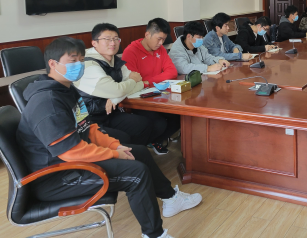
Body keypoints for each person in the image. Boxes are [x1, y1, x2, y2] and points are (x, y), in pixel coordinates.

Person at [16, 37, 202, 239]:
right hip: (56, 177)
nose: (79, 65)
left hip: (70, 163)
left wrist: (115, 146)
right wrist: (113, 154)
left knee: (138, 151)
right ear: (53, 64)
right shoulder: (47, 103)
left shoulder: (68, 90)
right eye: (72, 60)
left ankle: (171, 199)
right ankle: (154, 235)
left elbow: (88, 128)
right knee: (136, 173)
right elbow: (70, 152)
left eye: (81, 60)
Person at [74, 24, 168, 149]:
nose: (113, 43)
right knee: (126, 136)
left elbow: (137, 82)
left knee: (147, 124)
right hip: (90, 119)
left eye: (116, 39)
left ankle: (132, 153)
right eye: (107, 39)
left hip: (109, 113)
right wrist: (130, 83)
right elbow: (120, 88)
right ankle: (128, 153)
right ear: (94, 43)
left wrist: (115, 98)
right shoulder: (88, 64)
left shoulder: (114, 60)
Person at [122, 18, 181, 155]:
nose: (161, 43)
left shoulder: (160, 50)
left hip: (158, 94)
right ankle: (141, 148)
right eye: (159, 39)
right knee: (159, 123)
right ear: (147, 34)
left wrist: (148, 82)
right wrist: (150, 82)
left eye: (163, 40)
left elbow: (172, 72)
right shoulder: (131, 52)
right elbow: (134, 82)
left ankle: (154, 140)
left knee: (179, 117)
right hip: (139, 98)